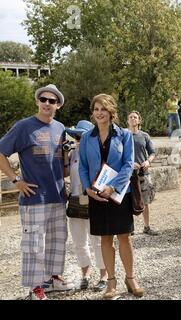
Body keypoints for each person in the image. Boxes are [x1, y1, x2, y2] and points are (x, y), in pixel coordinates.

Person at [0, 84, 74, 300]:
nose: (47, 104)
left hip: (58, 195)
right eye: (43, 99)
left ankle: (52, 279)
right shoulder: (24, 127)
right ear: (37, 101)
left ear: (58, 105)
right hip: (34, 197)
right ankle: (35, 288)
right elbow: (1, 152)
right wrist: (16, 181)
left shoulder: (61, 129)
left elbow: (62, 164)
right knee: (33, 244)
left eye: (52, 101)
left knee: (57, 240)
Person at [78, 94, 144, 299]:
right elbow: (83, 166)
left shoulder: (124, 134)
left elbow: (128, 164)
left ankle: (131, 278)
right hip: (97, 195)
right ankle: (111, 282)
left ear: (111, 112)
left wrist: (113, 187)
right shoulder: (87, 137)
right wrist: (88, 188)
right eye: (96, 109)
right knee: (105, 239)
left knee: (124, 237)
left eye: (103, 109)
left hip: (119, 194)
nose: (99, 113)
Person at [65, 120, 108, 291]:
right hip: (75, 201)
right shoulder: (72, 154)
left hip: (93, 201)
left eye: (82, 136)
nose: (78, 140)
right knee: (79, 242)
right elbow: (64, 173)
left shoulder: (98, 153)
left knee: (98, 241)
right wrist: (63, 154)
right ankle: (86, 274)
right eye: (76, 136)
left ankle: (104, 275)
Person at [127, 111, 158, 236]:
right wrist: (130, 163)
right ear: (127, 121)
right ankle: (130, 228)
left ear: (139, 120)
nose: (133, 119)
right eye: (131, 117)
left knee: (144, 201)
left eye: (135, 117)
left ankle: (146, 227)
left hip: (142, 173)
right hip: (128, 173)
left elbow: (152, 152)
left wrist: (147, 161)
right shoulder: (124, 135)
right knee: (128, 200)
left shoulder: (145, 135)